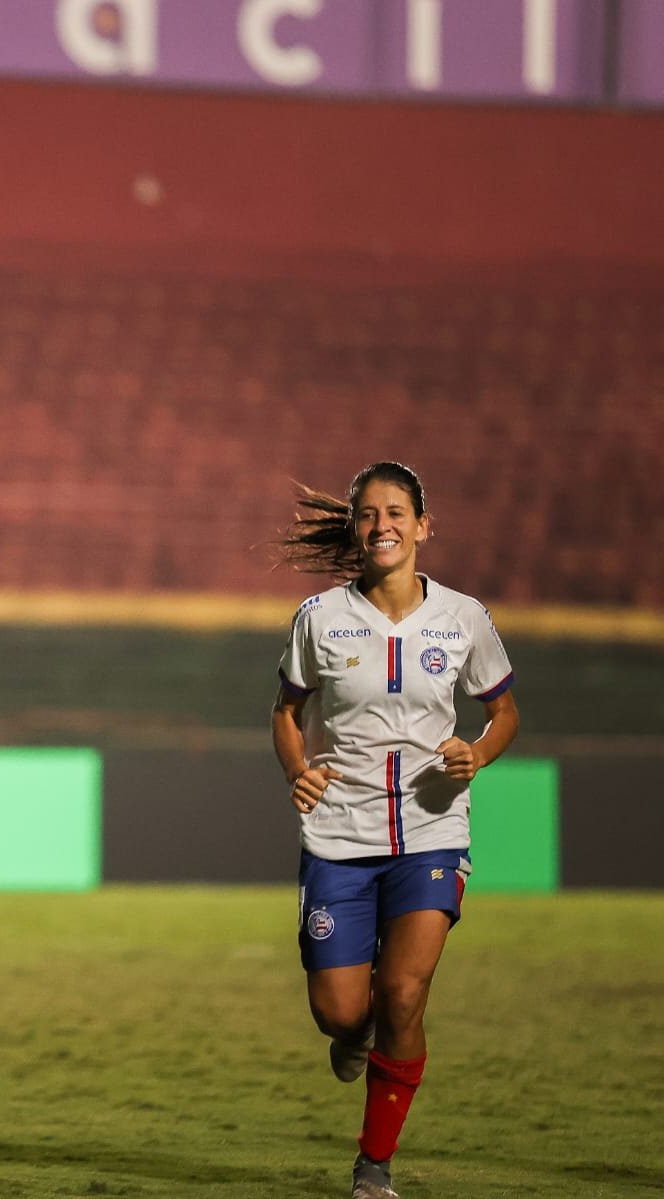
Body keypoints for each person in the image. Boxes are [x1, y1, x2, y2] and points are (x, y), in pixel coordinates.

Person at [270, 461, 519, 1199]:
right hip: (339, 838)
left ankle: (373, 1165)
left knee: (404, 994)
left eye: (396, 512)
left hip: (432, 829)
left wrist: (474, 752)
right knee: (341, 1010)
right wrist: (298, 770)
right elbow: (286, 712)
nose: (383, 525)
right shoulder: (320, 617)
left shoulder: (463, 617)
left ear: (422, 526)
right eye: (369, 514)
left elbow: (504, 712)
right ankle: (353, 1038)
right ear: (356, 528)